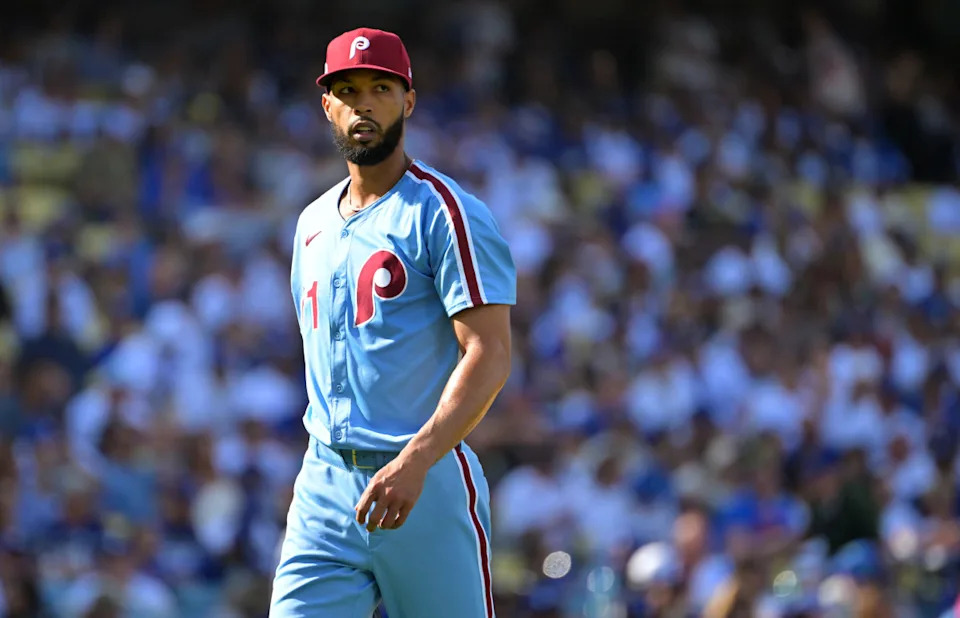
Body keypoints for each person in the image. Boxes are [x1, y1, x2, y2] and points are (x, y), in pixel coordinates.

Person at [269, 27, 516, 618]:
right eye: (348, 90)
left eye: (381, 87)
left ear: (408, 100)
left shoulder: (445, 211)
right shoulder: (310, 224)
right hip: (325, 485)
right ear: (327, 104)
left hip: (424, 479)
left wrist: (417, 459)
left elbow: (489, 351)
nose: (364, 103)